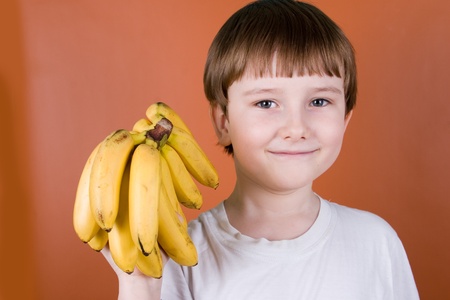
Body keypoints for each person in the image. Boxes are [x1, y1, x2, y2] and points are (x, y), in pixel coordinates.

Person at [102, 0, 419, 299]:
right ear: (224, 121)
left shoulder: (376, 243)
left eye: (319, 101)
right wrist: (139, 285)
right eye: (266, 102)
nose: (296, 128)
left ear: (346, 118)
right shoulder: (181, 255)